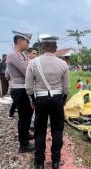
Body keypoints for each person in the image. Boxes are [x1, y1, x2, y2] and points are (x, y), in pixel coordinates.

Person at [25, 34, 69, 169]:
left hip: (40, 99)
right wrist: (63, 100)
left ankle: (39, 163)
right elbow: (66, 87)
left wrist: (32, 99)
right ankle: (55, 161)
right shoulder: (63, 64)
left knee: (40, 131)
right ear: (55, 47)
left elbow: (28, 86)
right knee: (57, 130)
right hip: (57, 99)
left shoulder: (33, 63)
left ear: (43, 46)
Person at [7, 30, 34, 153]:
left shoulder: (21, 55)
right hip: (19, 89)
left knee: (27, 115)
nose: (28, 44)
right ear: (19, 41)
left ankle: (25, 135)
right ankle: (23, 145)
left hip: (23, 89)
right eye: (27, 42)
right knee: (24, 117)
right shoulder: (13, 55)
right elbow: (26, 71)